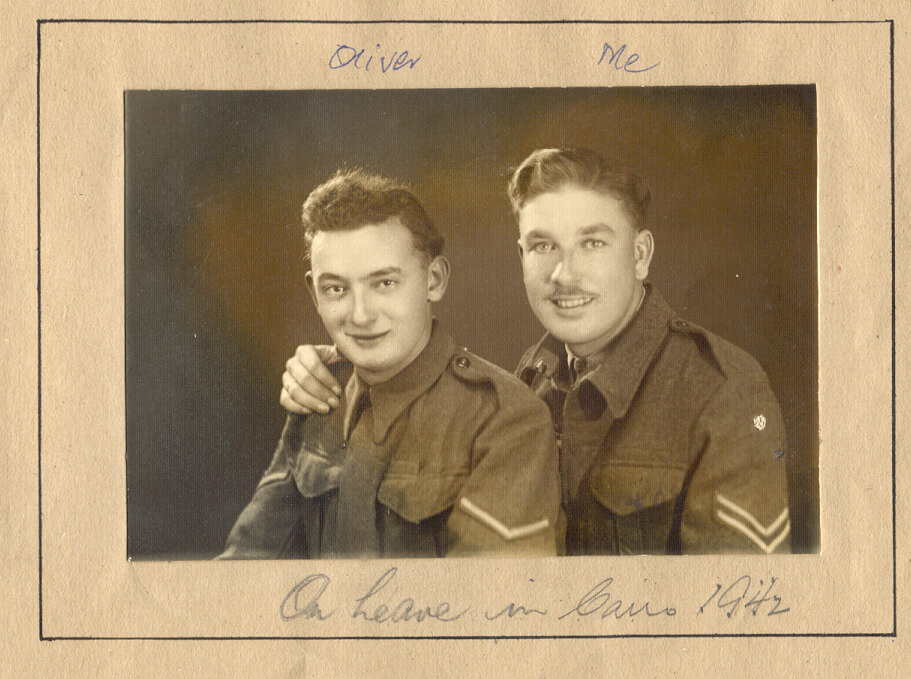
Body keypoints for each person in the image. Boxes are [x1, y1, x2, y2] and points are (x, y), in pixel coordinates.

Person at [278, 149, 791, 555]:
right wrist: (344, 365)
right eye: (544, 246)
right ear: (522, 256)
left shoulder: (723, 391)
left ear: (640, 255)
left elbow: (736, 618)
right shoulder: (535, 374)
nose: (564, 274)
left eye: (592, 243)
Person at [220, 169, 562, 559]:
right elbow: (246, 566)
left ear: (433, 280)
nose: (361, 315)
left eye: (384, 283)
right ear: (314, 295)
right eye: (336, 289)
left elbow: (489, 603)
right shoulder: (321, 395)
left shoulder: (505, 420)